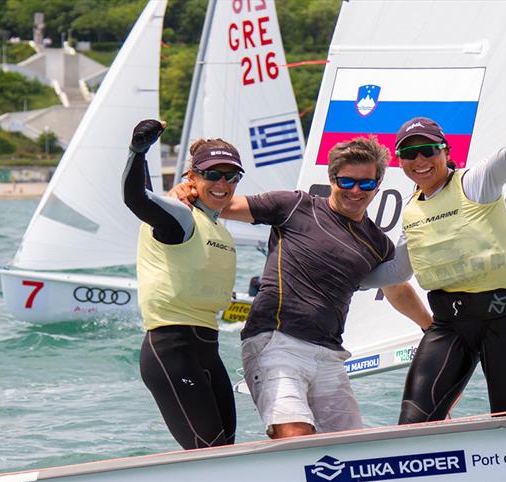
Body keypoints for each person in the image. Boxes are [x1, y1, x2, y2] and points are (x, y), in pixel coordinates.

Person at [172, 136, 432, 439]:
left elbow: (397, 289)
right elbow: (222, 202)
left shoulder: (376, 242)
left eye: (366, 184)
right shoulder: (295, 205)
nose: (356, 191)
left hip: (330, 355)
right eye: (346, 182)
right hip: (276, 343)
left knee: (351, 449)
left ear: (378, 184)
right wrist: (188, 192)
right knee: (295, 435)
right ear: (332, 179)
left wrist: (431, 327)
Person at [361, 53, 506, 423]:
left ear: (446, 152)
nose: (420, 159)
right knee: (414, 422)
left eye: (428, 150)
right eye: (409, 153)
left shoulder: (475, 183)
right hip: (448, 325)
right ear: (399, 161)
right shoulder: (411, 211)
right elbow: (395, 273)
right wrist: (341, 279)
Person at [123, 119, 241, 449]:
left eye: (231, 176)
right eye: (213, 174)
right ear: (193, 176)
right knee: (211, 453)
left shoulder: (217, 226)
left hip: (208, 350)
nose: (223, 183)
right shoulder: (181, 217)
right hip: (171, 348)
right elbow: (137, 197)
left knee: (225, 453)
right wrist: (139, 151)